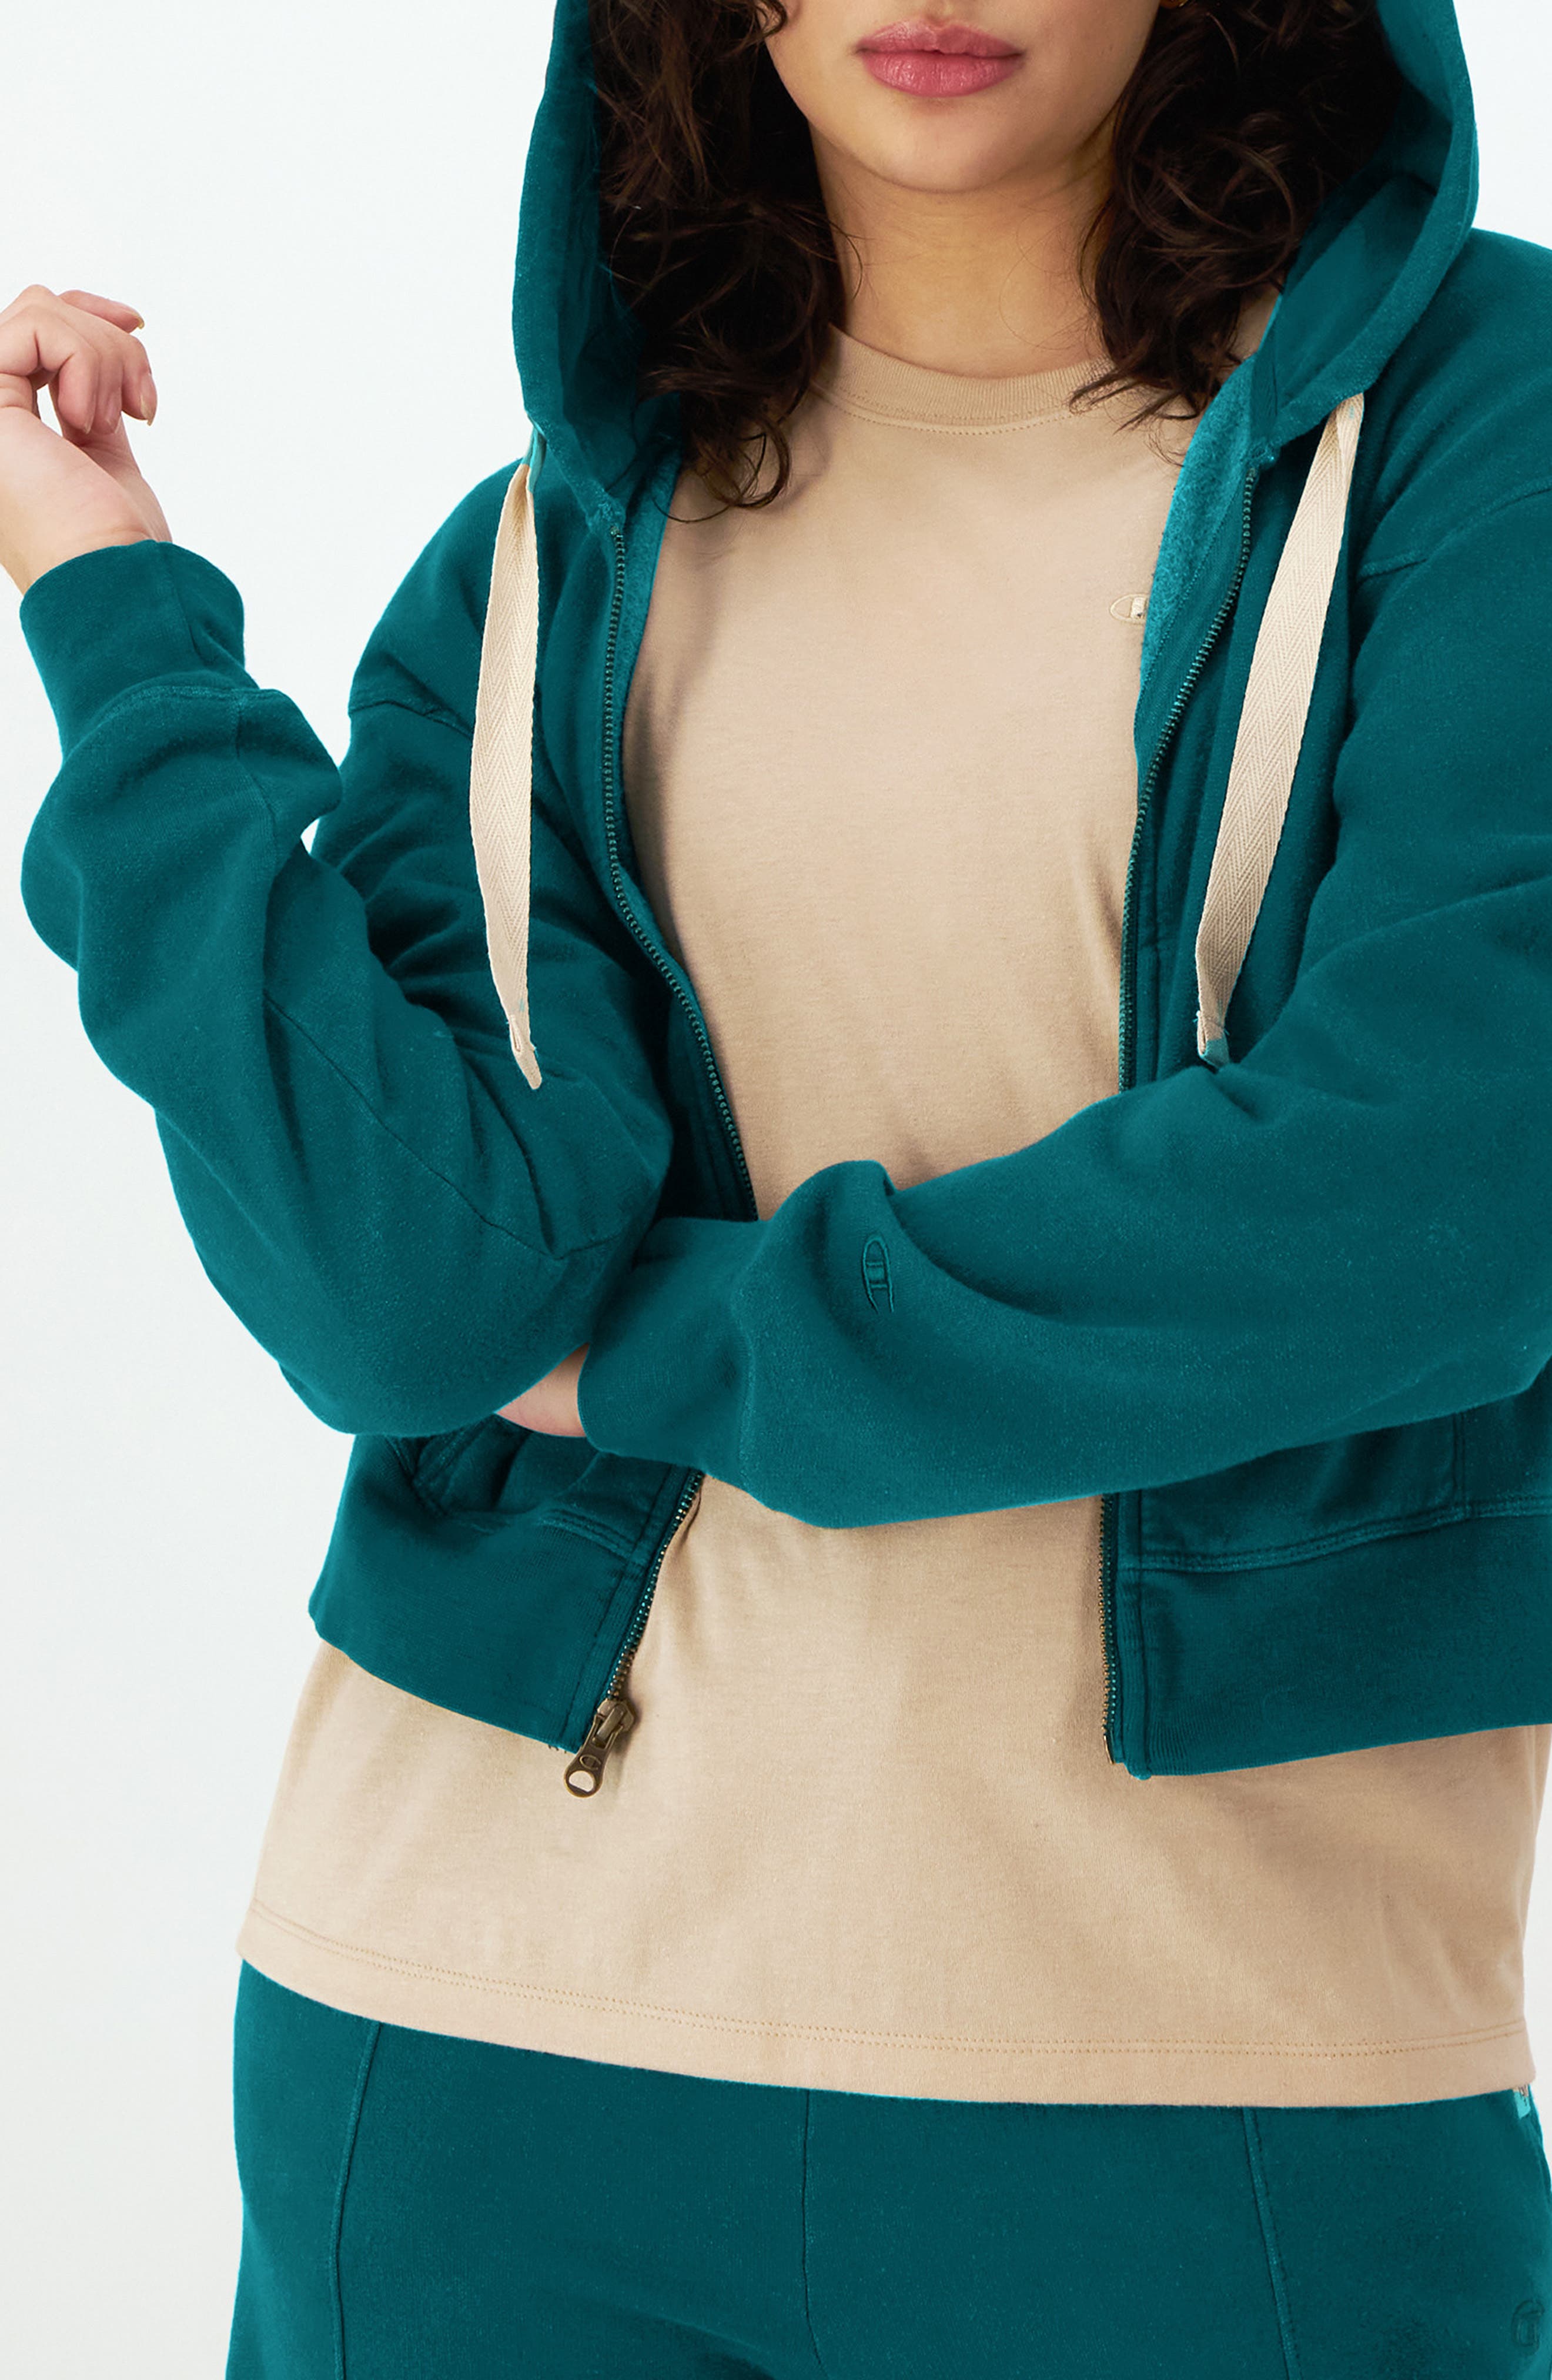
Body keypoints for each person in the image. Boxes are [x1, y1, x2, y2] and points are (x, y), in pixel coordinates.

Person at [6, 0, 1552, 2369]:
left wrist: (660, 1351)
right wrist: (116, 622)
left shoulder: (1472, 427)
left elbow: (1440, 1197)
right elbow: (417, 1294)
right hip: (476, 2051)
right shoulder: (553, 557)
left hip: (1230, 2085)